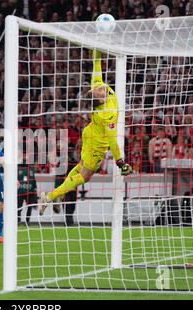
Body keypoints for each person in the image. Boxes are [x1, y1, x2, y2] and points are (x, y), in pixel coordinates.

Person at [39, 49, 133, 214]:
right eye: (98, 92)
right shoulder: (107, 113)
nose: (99, 87)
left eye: (98, 89)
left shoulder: (100, 86)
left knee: (81, 166)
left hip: (90, 132)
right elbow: (112, 140)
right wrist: (120, 162)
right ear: (100, 100)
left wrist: (97, 50)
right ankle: (50, 196)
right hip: (97, 142)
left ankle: (59, 193)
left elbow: (97, 67)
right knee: (85, 175)